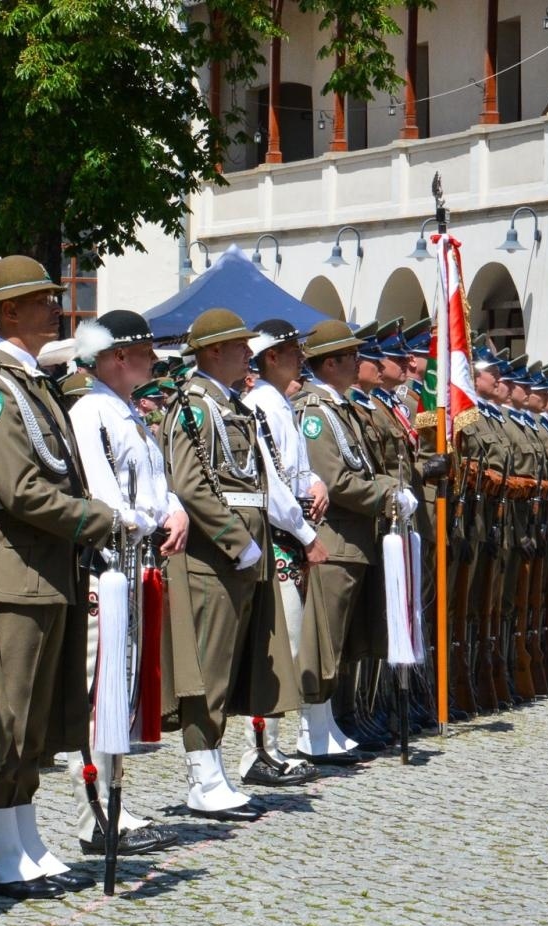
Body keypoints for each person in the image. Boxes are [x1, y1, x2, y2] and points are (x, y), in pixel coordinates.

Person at [0, 255, 133, 900]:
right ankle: (2, 851)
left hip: (45, 570)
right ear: (8, 311)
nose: (55, 306)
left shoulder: (30, 383)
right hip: (12, 573)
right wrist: (101, 519)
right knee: (10, 716)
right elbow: (20, 489)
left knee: (36, 721)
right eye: (42, 299)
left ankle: (24, 837)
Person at [158, 308, 301, 821]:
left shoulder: (229, 405)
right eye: (240, 345)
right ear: (213, 351)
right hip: (214, 556)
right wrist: (237, 542)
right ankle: (203, 775)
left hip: (243, 553)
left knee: (233, 666)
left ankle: (214, 767)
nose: (249, 353)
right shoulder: (195, 406)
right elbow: (190, 483)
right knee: (209, 670)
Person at [63, 308, 186, 853]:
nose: (153, 361)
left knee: (124, 681)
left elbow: (153, 479)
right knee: (101, 686)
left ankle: (115, 797)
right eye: (144, 352)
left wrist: (174, 509)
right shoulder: (91, 411)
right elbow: (103, 492)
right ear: (118, 357)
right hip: (109, 563)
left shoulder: (126, 410)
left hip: (136, 558)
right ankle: (94, 812)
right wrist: (144, 520)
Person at [291, 321, 414, 762]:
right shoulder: (315, 411)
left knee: (341, 644)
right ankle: (311, 730)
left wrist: (387, 487)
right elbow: (334, 479)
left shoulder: (338, 408)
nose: (359, 363)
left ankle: (327, 723)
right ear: (330, 364)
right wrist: (387, 493)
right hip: (334, 537)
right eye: (351, 357)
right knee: (323, 641)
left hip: (353, 539)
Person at [240, 319, 328, 784]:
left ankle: (268, 746)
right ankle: (258, 749)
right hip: (277, 534)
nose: (301, 358)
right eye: (293, 350)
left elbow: (296, 469)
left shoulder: (279, 403)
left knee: (288, 645)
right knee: (277, 646)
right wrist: (306, 533)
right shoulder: (260, 404)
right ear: (271, 356)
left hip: (289, 530)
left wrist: (317, 482)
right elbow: (270, 484)